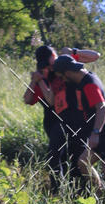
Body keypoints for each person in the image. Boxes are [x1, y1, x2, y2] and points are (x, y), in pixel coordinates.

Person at [23, 44, 100, 192]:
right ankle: (59, 191)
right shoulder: (44, 75)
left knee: (77, 157)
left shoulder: (66, 63)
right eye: (47, 65)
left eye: (52, 63)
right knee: (57, 157)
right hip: (54, 123)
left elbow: (95, 56)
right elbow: (29, 99)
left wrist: (74, 51)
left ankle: (87, 190)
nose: (50, 68)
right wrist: (36, 80)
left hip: (77, 119)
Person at [52, 55, 105, 190]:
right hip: (102, 129)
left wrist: (95, 133)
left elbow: (102, 108)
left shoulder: (89, 84)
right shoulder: (84, 78)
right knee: (83, 163)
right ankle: (100, 193)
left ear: (67, 73)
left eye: (61, 77)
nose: (63, 81)